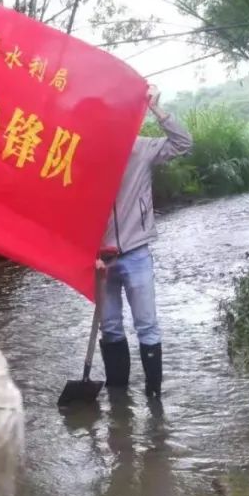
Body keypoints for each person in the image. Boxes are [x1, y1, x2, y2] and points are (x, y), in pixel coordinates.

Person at [97, 85, 191, 400]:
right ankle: (118, 397)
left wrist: (156, 110)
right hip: (99, 259)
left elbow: (182, 143)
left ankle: (153, 397)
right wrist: (88, 252)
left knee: (146, 326)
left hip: (136, 253)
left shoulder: (141, 149)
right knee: (109, 327)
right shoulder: (85, 156)